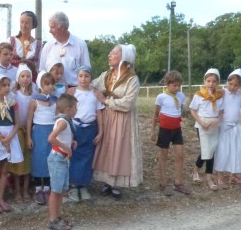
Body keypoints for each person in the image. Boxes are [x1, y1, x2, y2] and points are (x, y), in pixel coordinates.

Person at [92, 44, 143, 198]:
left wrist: (106, 100)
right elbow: (92, 85)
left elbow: (128, 103)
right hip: (107, 117)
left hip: (122, 119)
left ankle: (117, 184)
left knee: (120, 148)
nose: (109, 55)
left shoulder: (132, 79)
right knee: (107, 147)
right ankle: (106, 182)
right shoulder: (106, 75)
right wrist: (77, 87)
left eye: (113, 53)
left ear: (123, 57)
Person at [151, 70, 191, 197]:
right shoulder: (161, 97)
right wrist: (153, 131)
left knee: (180, 155)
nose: (177, 88)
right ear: (167, 84)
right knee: (163, 155)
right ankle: (163, 183)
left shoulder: (181, 96)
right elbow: (155, 115)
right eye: (174, 85)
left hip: (176, 130)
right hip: (164, 130)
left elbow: (184, 110)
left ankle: (178, 182)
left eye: (178, 85)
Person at [0, 74, 23, 213]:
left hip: (10, 137)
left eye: (8, 85)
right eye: (4, 85)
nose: (7, 88)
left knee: (5, 170)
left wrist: (10, 139)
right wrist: (3, 139)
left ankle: (1, 198)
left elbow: (17, 123)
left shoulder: (12, 103)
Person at [67, 66, 103, 201]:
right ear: (77, 77)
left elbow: (99, 113)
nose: (83, 79)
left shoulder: (95, 93)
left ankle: (84, 185)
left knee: (88, 156)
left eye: (86, 76)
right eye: (81, 76)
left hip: (90, 128)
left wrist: (101, 132)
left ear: (91, 78)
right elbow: (68, 112)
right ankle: (74, 186)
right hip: (75, 127)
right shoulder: (72, 92)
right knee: (75, 155)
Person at [46, 94, 78, 230]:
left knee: (60, 191)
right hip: (58, 159)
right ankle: (52, 220)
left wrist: (71, 143)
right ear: (68, 109)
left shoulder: (66, 120)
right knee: (55, 190)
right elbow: (51, 138)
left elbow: (61, 137)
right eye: (75, 107)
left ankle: (57, 217)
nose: (77, 110)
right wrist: (66, 148)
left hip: (62, 159)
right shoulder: (63, 122)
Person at [189, 69, 225, 191]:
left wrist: (218, 120)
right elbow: (193, 111)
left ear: (217, 82)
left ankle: (204, 174)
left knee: (212, 149)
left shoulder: (219, 96)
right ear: (204, 81)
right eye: (208, 81)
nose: (211, 84)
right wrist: (201, 122)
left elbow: (221, 112)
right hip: (202, 123)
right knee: (206, 149)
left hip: (214, 124)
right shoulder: (199, 95)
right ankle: (205, 177)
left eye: (214, 81)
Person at [214, 69, 241, 187]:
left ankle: (233, 175)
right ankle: (220, 176)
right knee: (223, 151)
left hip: (236, 126)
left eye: (236, 85)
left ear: (240, 86)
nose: (233, 87)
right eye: (230, 84)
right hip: (224, 126)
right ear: (227, 82)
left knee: (237, 150)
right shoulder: (223, 93)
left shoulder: (240, 94)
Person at [27, 71, 57, 204]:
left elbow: (57, 119)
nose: (49, 87)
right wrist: (28, 137)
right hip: (38, 132)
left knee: (50, 159)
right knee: (38, 159)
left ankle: (48, 188)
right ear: (40, 85)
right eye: (46, 84)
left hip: (51, 132)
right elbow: (29, 120)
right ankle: (39, 188)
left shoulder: (55, 101)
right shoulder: (34, 101)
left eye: (52, 84)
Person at [7, 63, 35, 201]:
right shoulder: (14, 94)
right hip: (17, 130)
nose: (25, 78)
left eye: (28, 76)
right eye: (22, 76)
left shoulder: (34, 95)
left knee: (28, 159)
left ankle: (26, 189)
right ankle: (17, 189)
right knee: (17, 161)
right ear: (18, 78)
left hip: (29, 130)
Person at [39, 11, 90, 87]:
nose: (49, 31)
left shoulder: (80, 44)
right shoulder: (48, 46)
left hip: (74, 91)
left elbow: (87, 71)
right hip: (52, 91)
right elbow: (42, 71)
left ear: (62, 27)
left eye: (52, 27)